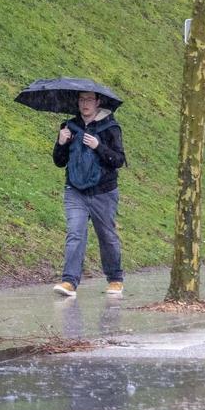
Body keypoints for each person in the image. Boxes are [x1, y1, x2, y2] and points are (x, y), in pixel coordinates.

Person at [51, 92, 126, 297]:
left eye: (89, 100)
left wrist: (98, 146)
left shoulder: (110, 128)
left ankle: (115, 279)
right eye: (82, 100)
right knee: (75, 234)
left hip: (104, 192)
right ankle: (69, 282)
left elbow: (118, 160)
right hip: (75, 191)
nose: (85, 104)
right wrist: (61, 142)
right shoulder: (69, 126)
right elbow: (59, 162)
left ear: (98, 103)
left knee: (107, 237)